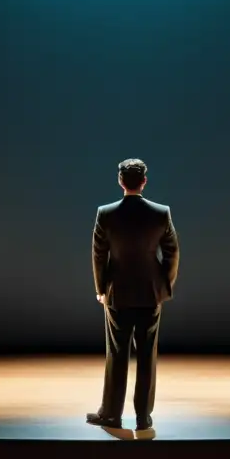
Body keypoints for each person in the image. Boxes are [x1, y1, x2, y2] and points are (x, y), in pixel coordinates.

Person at [86, 158, 180, 431]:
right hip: (151, 294)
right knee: (147, 355)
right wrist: (163, 285)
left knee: (116, 354)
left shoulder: (106, 213)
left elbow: (98, 255)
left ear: (120, 181)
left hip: (118, 293)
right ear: (144, 182)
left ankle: (112, 414)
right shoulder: (161, 213)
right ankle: (143, 417)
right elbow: (172, 252)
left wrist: (101, 289)